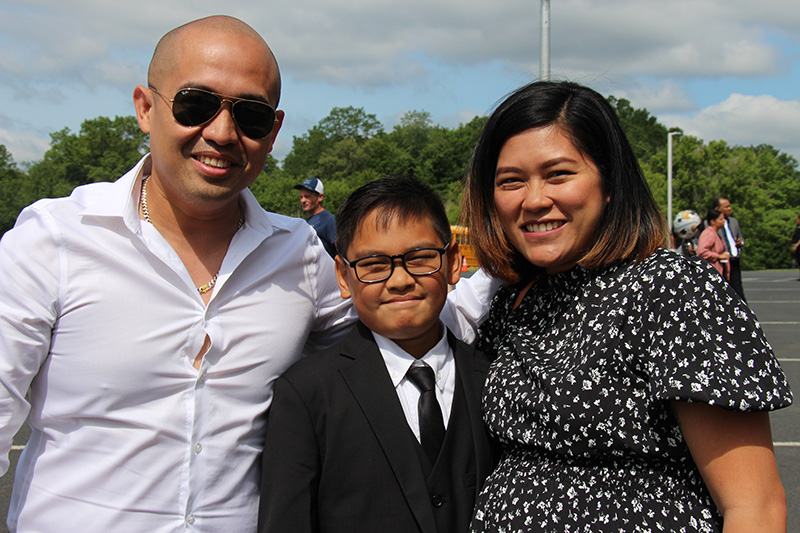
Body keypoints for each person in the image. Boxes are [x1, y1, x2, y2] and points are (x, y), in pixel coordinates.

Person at [0, 16, 497, 533]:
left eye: (250, 116)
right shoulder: (53, 241)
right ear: (146, 109)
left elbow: (404, 318)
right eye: (195, 104)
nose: (221, 132)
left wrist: (524, 260)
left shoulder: (299, 256)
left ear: (274, 131)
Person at [462, 80, 793, 532]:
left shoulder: (671, 291)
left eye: (558, 174)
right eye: (511, 181)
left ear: (611, 182)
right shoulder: (512, 301)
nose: (534, 199)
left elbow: (754, 507)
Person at [259, 176, 496, 533]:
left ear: (452, 264)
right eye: (373, 264)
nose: (399, 280)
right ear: (342, 276)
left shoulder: (493, 380)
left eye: (420, 258)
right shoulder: (307, 394)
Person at [294, 176, 337, 257]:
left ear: (320, 197)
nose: (303, 200)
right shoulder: (307, 222)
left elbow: (341, 249)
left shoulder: (328, 220)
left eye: (307, 196)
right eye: (301, 197)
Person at [713, 196, 746, 301]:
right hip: (720, 262)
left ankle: (743, 314)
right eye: (726, 207)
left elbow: (741, 237)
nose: (729, 209)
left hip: (733, 260)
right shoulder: (710, 224)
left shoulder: (733, 222)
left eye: (729, 206)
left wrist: (740, 243)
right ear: (717, 209)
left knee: (738, 291)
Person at [697, 209, 731, 280]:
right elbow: (702, 251)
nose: (724, 221)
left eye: (724, 219)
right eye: (721, 219)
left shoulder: (716, 233)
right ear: (713, 221)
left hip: (719, 272)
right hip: (711, 273)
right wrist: (718, 256)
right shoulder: (709, 233)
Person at [792, 214, 800, 280]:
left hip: (799, 245)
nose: (796, 220)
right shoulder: (797, 226)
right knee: (798, 260)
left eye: (797, 219)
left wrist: (797, 245)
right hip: (797, 244)